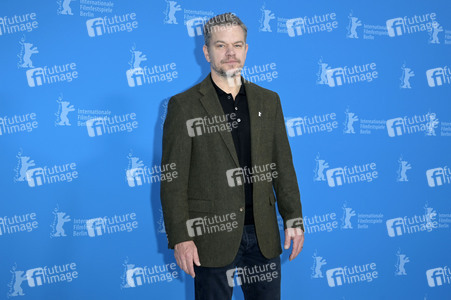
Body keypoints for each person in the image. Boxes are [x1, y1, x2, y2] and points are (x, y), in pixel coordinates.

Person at [160, 12, 305, 300]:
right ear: (206, 51)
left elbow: (282, 165)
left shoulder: (269, 100)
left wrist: (293, 218)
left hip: (263, 234)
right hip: (210, 237)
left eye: (237, 45)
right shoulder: (184, 106)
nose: (230, 54)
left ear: (246, 49)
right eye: (221, 45)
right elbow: (173, 180)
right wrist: (180, 238)